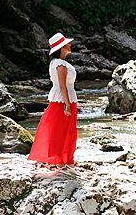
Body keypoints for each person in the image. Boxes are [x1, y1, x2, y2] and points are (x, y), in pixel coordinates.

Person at [28, 32, 78, 169]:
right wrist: (67, 104)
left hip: (63, 99)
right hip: (63, 100)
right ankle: (62, 162)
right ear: (62, 47)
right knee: (64, 131)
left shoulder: (57, 63)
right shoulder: (60, 64)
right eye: (67, 43)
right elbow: (62, 85)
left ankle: (64, 161)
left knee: (64, 130)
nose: (70, 44)